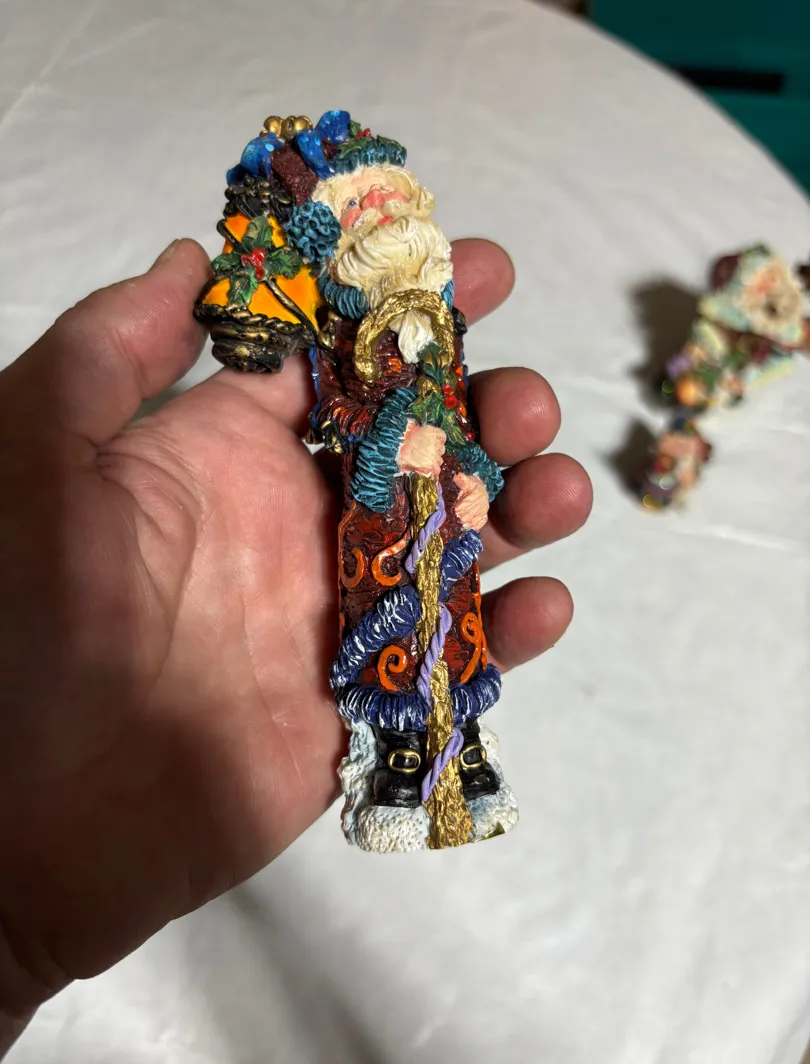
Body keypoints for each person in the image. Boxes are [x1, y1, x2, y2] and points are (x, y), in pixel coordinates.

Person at [0, 236, 591, 1052]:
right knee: (392, 663)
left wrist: (470, 485)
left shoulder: (445, 389)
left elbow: (475, 466)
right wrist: (394, 453)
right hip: (382, 551)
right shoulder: (355, 381)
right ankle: (398, 771)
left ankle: (462, 764)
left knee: (455, 654)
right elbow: (352, 440)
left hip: (444, 557)